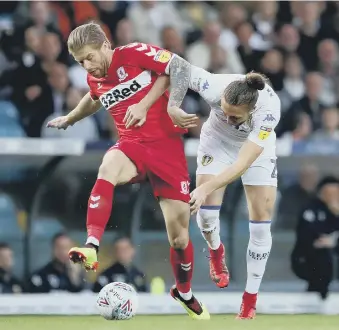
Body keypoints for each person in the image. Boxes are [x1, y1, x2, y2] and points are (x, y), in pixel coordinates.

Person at [46, 22, 209, 320]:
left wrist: (150, 104)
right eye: (80, 61)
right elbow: (93, 98)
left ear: (105, 45)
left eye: (90, 57)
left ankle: (183, 292)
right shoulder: (94, 77)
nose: (87, 65)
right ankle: (92, 245)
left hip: (166, 150)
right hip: (131, 144)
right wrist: (70, 118)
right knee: (107, 167)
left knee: (180, 239)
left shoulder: (133, 53)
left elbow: (179, 67)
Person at [131, 64, 281, 319]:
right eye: (224, 111)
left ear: (251, 110)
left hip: (256, 151)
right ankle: (215, 250)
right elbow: (175, 67)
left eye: (235, 117)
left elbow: (241, 165)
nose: (228, 118)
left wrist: (204, 189)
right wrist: (173, 106)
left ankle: (249, 300)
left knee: (260, 224)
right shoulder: (214, 85)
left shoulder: (268, 111)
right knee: (207, 215)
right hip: (217, 142)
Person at [291, 176, 339, 301]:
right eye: (330, 193)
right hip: (307, 257)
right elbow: (310, 235)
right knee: (321, 258)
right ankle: (315, 298)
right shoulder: (311, 209)